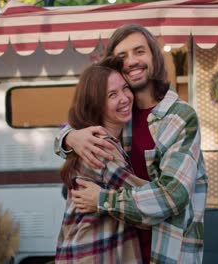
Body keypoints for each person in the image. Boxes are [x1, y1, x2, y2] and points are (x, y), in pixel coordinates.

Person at [54, 24, 208, 263]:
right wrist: (68, 137)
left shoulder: (180, 116)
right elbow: (77, 121)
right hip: (121, 251)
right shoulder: (121, 114)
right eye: (123, 56)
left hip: (169, 250)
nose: (133, 61)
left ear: (154, 56)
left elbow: (172, 195)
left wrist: (102, 200)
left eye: (139, 51)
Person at [55, 56, 149, 264]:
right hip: (96, 254)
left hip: (81, 250)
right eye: (112, 94)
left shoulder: (87, 138)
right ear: (96, 104)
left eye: (125, 88)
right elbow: (147, 207)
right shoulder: (102, 147)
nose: (124, 98)